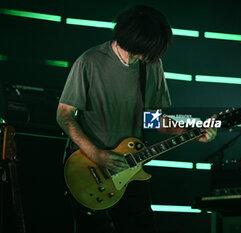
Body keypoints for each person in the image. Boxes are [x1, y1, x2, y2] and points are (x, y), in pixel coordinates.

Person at [56, 5, 216, 233]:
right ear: (136, 43)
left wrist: (190, 132)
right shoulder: (89, 61)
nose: (156, 55)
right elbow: (64, 115)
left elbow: (153, 120)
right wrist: (98, 154)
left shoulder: (151, 66)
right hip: (90, 168)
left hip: (131, 169)